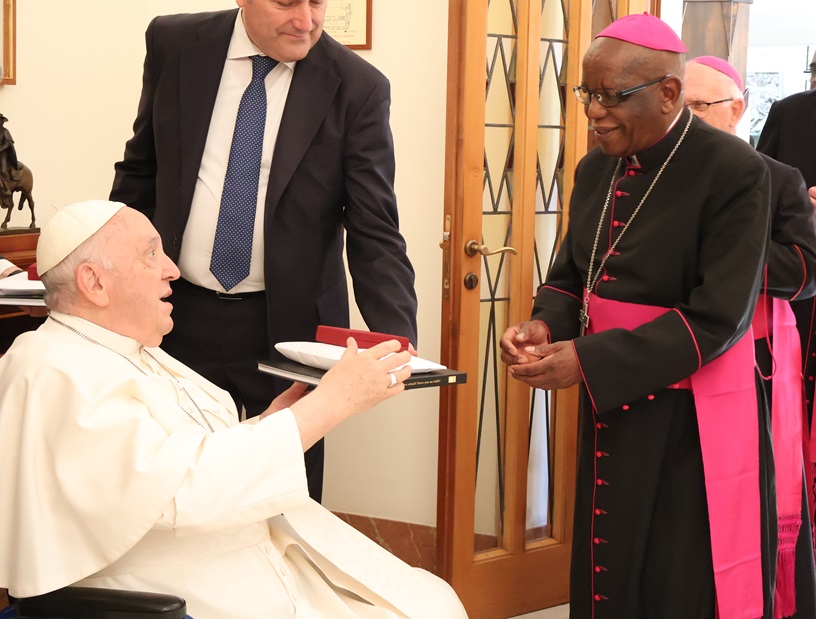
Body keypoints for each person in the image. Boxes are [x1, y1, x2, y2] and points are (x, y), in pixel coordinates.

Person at [0, 200, 466, 619]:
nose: (173, 270)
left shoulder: (125, 349)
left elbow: (178, 457)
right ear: (94, 282)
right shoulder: (51, 369)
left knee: (433, 600)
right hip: (179, 584)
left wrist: (276, 420)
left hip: (226, 554)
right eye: (150, 254)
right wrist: (327, 405)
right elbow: (176, 492)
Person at [500, 14, 775, 618]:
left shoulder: (735, 172)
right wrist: (545, 325)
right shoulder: (594, 167)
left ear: (669, 92)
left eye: (611, 97)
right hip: (609, 400)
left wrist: (589, 360)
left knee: (673, 574)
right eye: (587, 94)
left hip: (687, 412)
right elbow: (572, 275)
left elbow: (718, 317)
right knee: (607, 559)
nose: (594, 112)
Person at [109, 0, 419, 502]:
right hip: (172, 315)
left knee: (283, 493)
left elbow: (375, 228)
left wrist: (398, 343)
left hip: (286, 333)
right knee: (173, 482)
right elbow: (140, 170)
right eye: (285, 2)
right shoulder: (173, 44)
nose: (305, 20)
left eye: (318, 1)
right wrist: (110, 282)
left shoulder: (357, 87)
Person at [685, 55, 816, 618]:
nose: (683, 120)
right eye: (676, 104)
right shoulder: (643, 177)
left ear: (736, 110)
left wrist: (733, 256)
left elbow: (807, 272)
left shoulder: (776, 177)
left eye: (698, 107)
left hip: (750, 368)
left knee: (744, 510)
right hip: (665, 363)